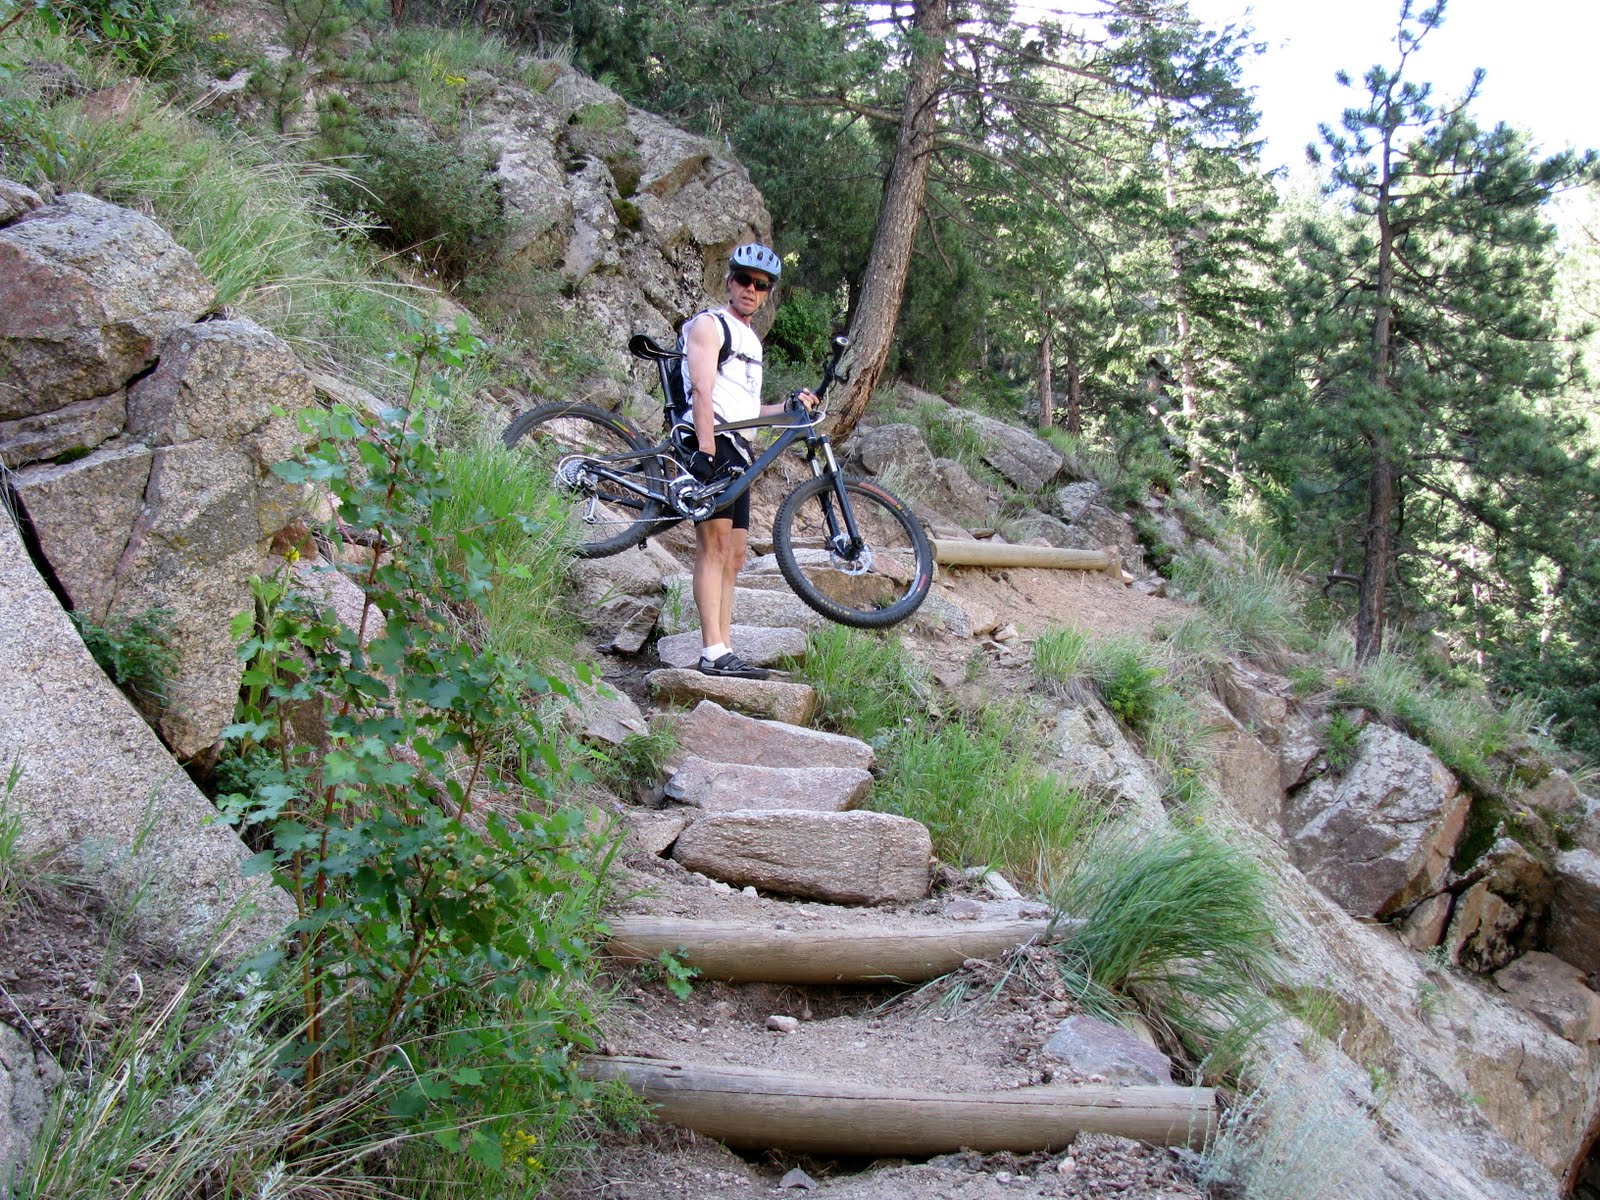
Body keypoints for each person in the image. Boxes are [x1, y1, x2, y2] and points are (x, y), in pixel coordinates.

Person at [682, 243, 816, 679]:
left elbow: (747, 410)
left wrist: (788, 407)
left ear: (768, 293)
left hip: (740, 447)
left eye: (761, 286)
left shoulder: (752, 342)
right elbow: (702, 390)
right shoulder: (710, 324)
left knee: (736, 554)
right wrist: (704, 450)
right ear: (730, 280)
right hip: (712, 440)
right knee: (714, 545)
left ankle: (724, 647)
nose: (751, 290)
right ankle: (711, 651)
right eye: (744, 280)